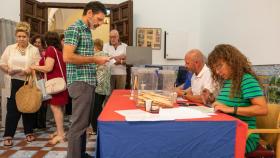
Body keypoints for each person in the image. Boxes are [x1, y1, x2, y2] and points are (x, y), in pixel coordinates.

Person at [63, 1, 109, 158]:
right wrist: (95, 60)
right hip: (79, 81)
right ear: (89, 13)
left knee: (83, 123)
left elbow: (82, 56)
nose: (100, 23)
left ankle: (80, 153)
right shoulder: (74, 28)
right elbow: (67, 56)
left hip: (87, 81)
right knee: (78, 124)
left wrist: (96, 61)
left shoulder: (87, 30)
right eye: (99, 19)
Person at [207, 44, 268, 153]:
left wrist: (230, 109)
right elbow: (226, 104)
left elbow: (262, 109)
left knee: (206, 147)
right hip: (228, 132)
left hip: (244, 136)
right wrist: (213, 102)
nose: (217, 72)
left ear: (232, 62)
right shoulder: (228, 82)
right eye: (215, 68)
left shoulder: (246, 80)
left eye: (219, 66)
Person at [0, 22, 41, 147]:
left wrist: (31, 69)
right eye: (19, 36)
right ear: (16, 36)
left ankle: (29, 132)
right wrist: (8, 70)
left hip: (27, 81)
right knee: (12, 109)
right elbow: (2, 63)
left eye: (23, 36)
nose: (21, 39)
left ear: (28, 36)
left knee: (28, 106)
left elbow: (39, 65)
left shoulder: (33, 50)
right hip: (12, 81)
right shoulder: (10, 48)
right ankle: (8, 135)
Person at [31, 31, 68, 145]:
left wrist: (34, 66)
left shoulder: (50, 50)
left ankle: (61, 135)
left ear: (46, 41)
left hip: (54, 85)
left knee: (56, 109)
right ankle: (59, 131)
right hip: (60, 84)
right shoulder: (59, 51)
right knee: (59, 109)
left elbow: (48, 67)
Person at [90, 39, 111, 135]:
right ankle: (101, 126)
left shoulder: (95, 56)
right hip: (106, 85)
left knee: (96, 108)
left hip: (98, 84)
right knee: (100, 106)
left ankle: (95, 128)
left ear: (95, 46)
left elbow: (91, 69)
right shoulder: (107, 55)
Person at [31, 34, 48, 130]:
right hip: (32, 79)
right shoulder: (29, 52)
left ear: (42, 44)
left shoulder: (44, 53)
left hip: (42, 79)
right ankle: (33, 124)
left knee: (43, 102)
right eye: (35, 42)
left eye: (39, 42)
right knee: (34, 101)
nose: (37, 44)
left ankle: (41, 123)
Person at [60, 33, 72, 116]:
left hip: (70, 74)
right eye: (63, 40)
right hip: (61, 75)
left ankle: (69, 113)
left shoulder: (71, 50)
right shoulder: (58, 51)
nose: (65, 42)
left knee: (70, 94)